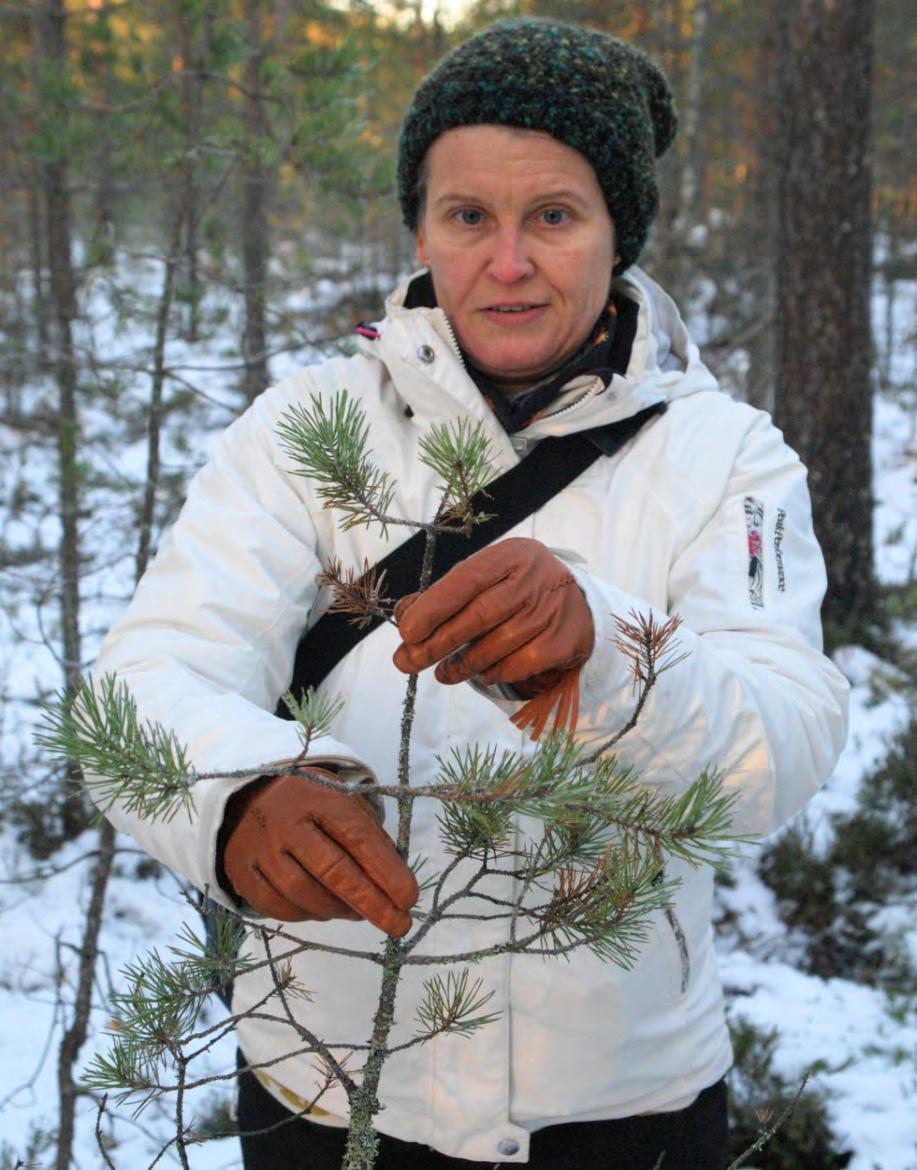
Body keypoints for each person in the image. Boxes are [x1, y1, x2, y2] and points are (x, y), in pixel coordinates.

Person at [92, 18, 849, 1170]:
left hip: (621, 1107)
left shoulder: (725, 459)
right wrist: (235, 796)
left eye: (552, 215)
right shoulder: (309, 428)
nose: (505, 263)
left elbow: (783, 747)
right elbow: (147, 675)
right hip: (323, 1083)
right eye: (466, 218)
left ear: (617, 230)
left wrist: (611, 653)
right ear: (420, 228)